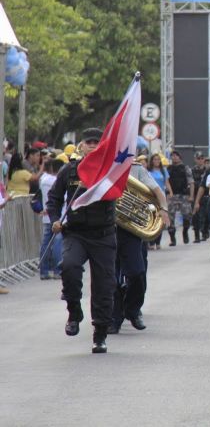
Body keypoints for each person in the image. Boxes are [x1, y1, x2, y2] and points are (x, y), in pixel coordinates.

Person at [46, 128, 117, 354]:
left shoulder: (110, 172)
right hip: (76, 232)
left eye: (97, 142)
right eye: (89, 142)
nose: (93, 146)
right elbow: (54, 199)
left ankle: (100, 334)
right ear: (82, 146)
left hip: (103, 234)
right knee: (69, 267)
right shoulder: (69, 170)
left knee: (104, 285)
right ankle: (74, 311)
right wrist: (56, 219)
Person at [110, 158, 170, 334]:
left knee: (137, 273)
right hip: (106, 229)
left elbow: (156, 190)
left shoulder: (136, 169)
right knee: (111, 278)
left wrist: (164, 209)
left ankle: (132, 309)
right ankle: (114, 318)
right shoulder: (102, 166)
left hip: (130, 229)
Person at [38, 158, 65, 280]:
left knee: (46, 243)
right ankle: (57, 270)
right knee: (58, 243)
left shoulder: (43, 179)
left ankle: (44, 270)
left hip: (47, 215)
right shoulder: (56, 181)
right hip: (57, 216)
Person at [167, 151, 194, 246]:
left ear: (180, 157)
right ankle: (172, 238)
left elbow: (191, 182)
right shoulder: (168, 169)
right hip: (172, 195)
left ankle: (185, 231)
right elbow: (166, 182)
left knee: (187, 215)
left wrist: (191, 196)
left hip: (183, 195)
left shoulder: (185, 168)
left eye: (176, 156)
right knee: (170, 218)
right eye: (172, 156)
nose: (174, 158)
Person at [147, 153, 172, 250]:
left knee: (161, 218)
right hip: (151, 196)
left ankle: (158, 242)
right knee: (152, 217)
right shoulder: (148, 171)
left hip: (161, 197)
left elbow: (167, 183)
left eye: (158, 159)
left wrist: (170, 193)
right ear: (152, 161)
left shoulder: (163, 170)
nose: (156, 161)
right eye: (154, 159)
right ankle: (151, 241)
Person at [191, 151, 209, 243]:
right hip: (195, 195)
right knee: (195, 217)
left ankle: (205, 232)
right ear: (195, 159)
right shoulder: (192, 170)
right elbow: (190, 182)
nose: (200, 160)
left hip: (205, 195)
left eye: (202, 158)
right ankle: (197, 236)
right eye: (198, 158)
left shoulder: (207, 170)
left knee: (205, 215)